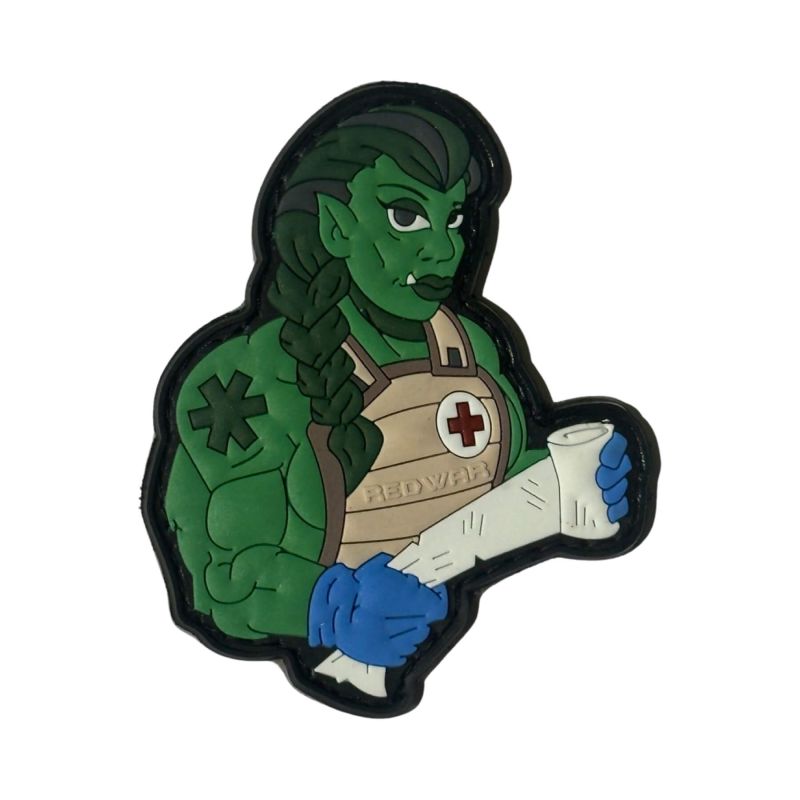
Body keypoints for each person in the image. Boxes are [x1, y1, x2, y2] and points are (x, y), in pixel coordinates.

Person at [157, 92, 634, 682]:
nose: (445, 249)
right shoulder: (246, 381)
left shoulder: (469, 346)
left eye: (452, 218)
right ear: (335, 225)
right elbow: (220, 572)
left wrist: (564, 482)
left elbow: (484, 482)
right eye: (404, 217)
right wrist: (325, 608)